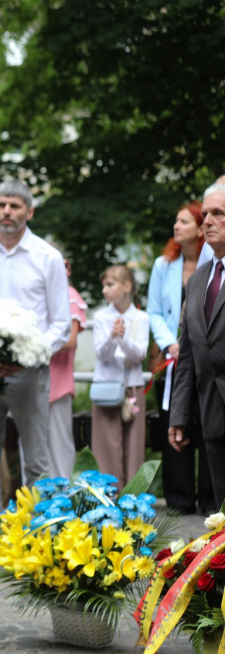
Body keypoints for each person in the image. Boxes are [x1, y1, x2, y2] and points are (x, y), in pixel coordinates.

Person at [0, 179, 70, 516]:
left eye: (15, 206)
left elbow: (61, 324)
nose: (7, 211)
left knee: (36, 463)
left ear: (29, 211)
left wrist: (27, 357)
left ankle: (36, 539)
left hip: (29, 373)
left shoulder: (48, 258)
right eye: (2, 204)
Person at [148, 201, 214, 513]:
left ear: (201, 228)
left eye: (184, 221)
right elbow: (155, 312)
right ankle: (179, 498)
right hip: (171, 357)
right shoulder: (163, 265)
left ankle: (209, 498)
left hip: (203, 356)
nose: (177, 226)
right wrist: (169, 342)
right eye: (176, 221)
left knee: (206, 424)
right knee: (173, 422)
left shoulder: (213, 262)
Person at [170, 183, 225, 510]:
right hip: (211, 413)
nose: (207, 221)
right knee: (221, 511)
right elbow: (188, 354)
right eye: (205, 214)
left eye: (218, 214)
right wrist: (179, 414)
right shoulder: (198, 279)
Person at [91, 265, 149, 485]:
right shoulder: (100, 317)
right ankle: (108, 496)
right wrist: (111, 337)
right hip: (106, 385)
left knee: (133, 446)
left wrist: (123, 339)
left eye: (110, 285)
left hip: (132, 385)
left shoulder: (141, 318)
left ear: (126, 286)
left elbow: (139, 355)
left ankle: (133, 499)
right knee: (106, 445)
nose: (105, 290)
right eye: (103, 285)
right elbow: (101, 354)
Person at [48, 256, 87, 478]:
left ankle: (64, 497)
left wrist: (34, 346)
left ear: (67, 268)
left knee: (60, 444)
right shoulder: (45, 296)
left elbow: (70, 341)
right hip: (38, 381)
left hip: (58, 382)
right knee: (38, 446)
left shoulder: (70, 296)